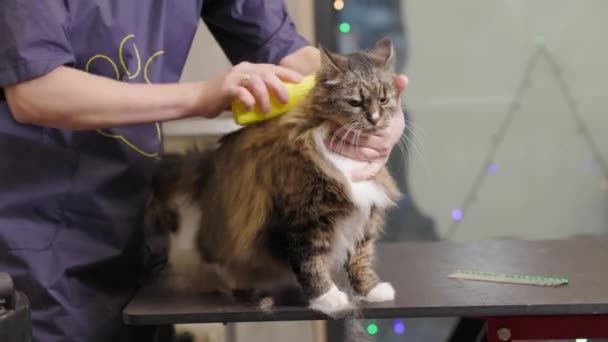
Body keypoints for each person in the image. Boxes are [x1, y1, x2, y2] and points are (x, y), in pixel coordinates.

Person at [0, 1, 407, 341]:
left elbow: (283, 48)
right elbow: (35, 90)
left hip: (134, 225)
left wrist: (386, 115)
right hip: (35, 236)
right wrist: (200, 96)